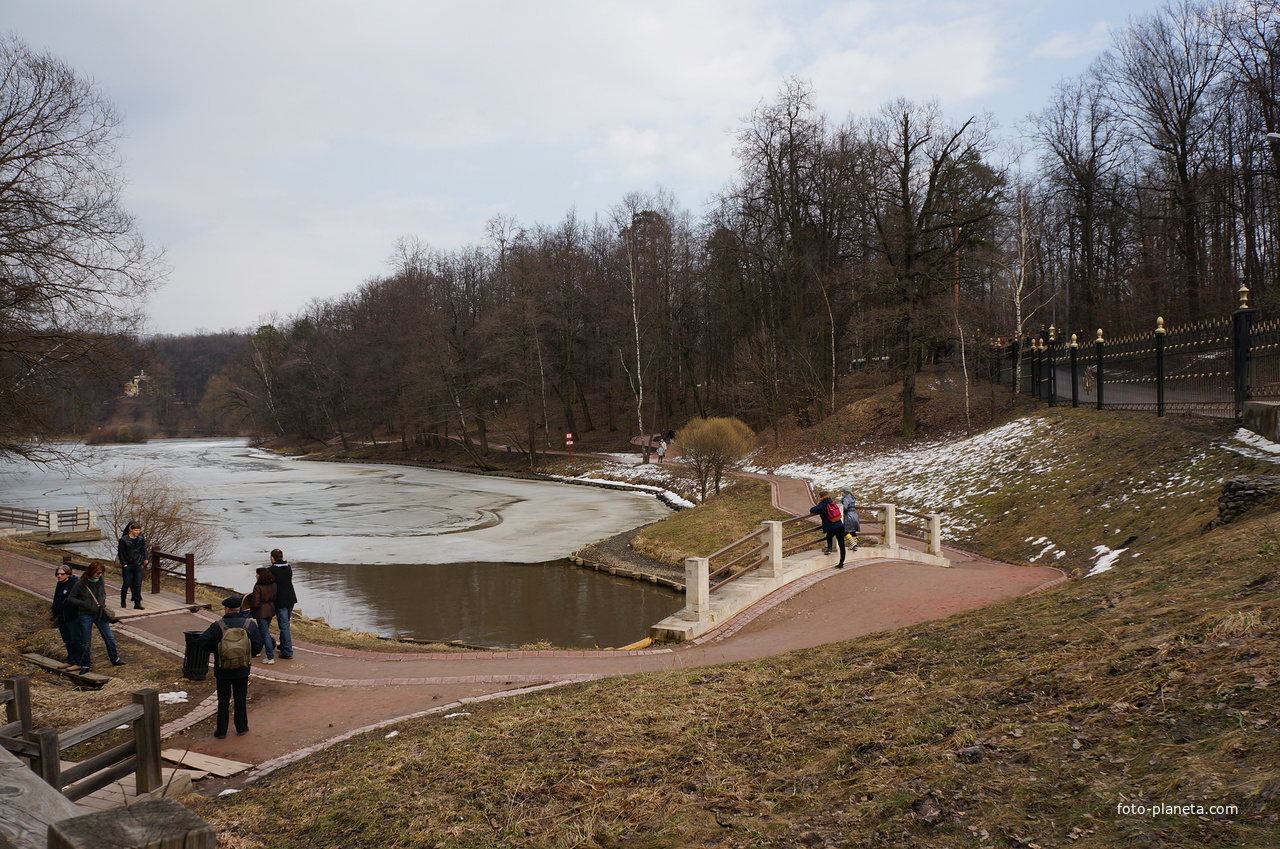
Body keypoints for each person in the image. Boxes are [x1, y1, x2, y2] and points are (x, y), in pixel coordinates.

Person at [197, 596, 264, 738]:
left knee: (223, 699)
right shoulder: (249, 625)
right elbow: (258, 644)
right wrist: (247, 655)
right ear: (239, 609)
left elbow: (202, 641)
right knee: (240, 697)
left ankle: (221, 731)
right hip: (242, 669)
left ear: (226, 609)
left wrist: (216, 651)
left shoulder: (218, 625)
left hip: (222, 669)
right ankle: (242, 728)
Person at [66, 560, 124, 673]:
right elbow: (71, 598)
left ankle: (115, 659)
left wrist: (102, 602)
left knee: (109, 636)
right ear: (91, 572)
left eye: (101, 572)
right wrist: (85, 603)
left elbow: (102, 592)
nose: (100, 575)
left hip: (100, 613)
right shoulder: (80, 584)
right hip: (85, 614)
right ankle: (86, 664)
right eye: (98, 573)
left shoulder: (100, 580)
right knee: (86, 641)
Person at [242, 567, 278, 664]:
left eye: (257, 574)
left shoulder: (258, 587)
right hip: (271, 609)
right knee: (264, 631)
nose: (256, 576)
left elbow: (255, 603)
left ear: (260, 575)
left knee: (264, 633)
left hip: (261, 612)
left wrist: (252, 610)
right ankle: (258, 651)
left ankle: (270, 656)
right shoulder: (273, 585)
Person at [267, 549, 297, 659]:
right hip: (291, 598)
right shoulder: (288, 568)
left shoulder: (271, 570)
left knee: (284, 626)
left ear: (272, 558)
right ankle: (283, 646)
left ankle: (288, 651)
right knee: (286, 623)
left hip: (280, 600)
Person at [50, 565, 81, 667]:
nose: (59, 576)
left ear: (68, 574)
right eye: (57, 574)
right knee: (66, 639)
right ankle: (70, 660)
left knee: (75, 639)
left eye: (62, 574)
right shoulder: (59, 584)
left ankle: (78, 661)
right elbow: (56, 598)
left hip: (71, 616)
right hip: (61, 616)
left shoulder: (74, 583)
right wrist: (54, 613)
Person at [809, 491, 847, 569]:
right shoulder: (832, 503)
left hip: (831, 528)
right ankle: (841, 563)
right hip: (840, 526)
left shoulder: (822, 505)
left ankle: (829, 549)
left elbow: (812, 510)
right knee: (842, 545)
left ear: (821, 497)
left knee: (829, 536)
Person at [116, 521, 148, 610]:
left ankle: (137, 603)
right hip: (128, 564)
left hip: (137, 563)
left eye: (138, 530)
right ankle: (123, 600)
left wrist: (143, 559)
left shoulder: (140, 539)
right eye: (136, 530)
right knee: (126, 583)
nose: (137, 532)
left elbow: (143, 549)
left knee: (138, 583)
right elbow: (121, 553)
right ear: (131, 530)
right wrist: (124, 563)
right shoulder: (124, 540)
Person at [840, 486, 861, 550]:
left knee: (845, 530)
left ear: (844, 492)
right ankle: (855, 545)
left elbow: (845, 507)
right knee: (853, 531)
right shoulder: (852, 498)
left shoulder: (845, 498)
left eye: (842, 491)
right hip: (854, 515)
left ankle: (853, 544)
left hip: (848, 516)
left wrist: (840, 507)